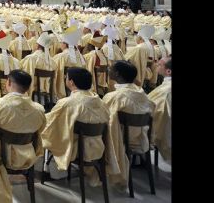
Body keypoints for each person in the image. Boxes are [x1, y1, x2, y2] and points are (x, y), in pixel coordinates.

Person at [0, 70, 46, 202]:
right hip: (28, 156)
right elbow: (40, 133)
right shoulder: (39, 109)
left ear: (8, 83)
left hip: (1, 156)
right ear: (28, 87)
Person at [41, 67, 120, 187]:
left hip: (77, 149)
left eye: (66, 77)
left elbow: (49, 124)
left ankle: (54, 172)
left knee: (50, 134)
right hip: (99, 147)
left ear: (71, 82)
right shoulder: (100, 102)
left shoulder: (67, 103)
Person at [101, 60, 155, 189]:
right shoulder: (142, 94)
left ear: (117, 74)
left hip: (121, 140)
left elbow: (103, 120)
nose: (108, 70)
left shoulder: (114, 97)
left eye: (111, 68)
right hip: (141, 137)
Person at [52, 25, 88, 98]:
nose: (60, 45)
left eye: (61, 42)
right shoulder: (80, 56)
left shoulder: (61, 56)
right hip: (80, 82)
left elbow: (52, 68)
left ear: (65, 44)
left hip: (67, 81)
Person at [148, 55, 171, 164]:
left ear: (168, 71)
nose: (157, 64)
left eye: (160, 64)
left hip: (162, 129)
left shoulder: (165, 91)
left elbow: (152, 110)